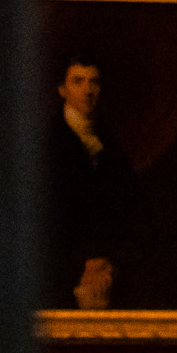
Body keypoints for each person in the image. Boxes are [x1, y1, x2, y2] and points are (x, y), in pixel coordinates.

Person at [43, 55, 131, 310]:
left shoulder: (110, 142)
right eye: (78, 81)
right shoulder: (49, 145)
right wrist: (86, 262)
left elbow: (129, 210)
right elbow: (52, 220)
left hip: (108, 268)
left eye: (94, 82)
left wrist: (109, 261)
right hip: (64, 272)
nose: (87, 90)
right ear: (62, 89)